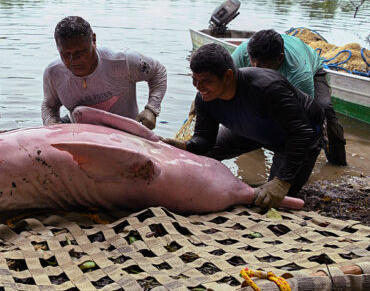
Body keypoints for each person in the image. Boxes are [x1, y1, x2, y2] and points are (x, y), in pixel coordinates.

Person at [162, 43, 324, 209]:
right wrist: (186, 146)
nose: (198, 86)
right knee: (197, 159)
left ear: (227, 76)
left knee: (270, 201)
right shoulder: (204, 99)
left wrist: (282, 182)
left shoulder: (267, 88)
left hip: (298, 136)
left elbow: (301, 132)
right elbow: (205, 139)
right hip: (252, 129)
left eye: (205, 81)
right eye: (194, 80)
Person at [231, 29, 346, 165]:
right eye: (253, 62)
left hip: (312, 70)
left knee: (323, 108)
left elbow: (303, 118)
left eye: (262, 65)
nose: (256, 69)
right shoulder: (242, 54)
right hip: (271, 77)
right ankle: (253, 155)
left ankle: (337, 162)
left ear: (280, 58)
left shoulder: (299, 73)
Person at [41, 16, 167, 129]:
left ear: (94, 40)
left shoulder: (123, 61)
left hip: (125, 134)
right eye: (66, 54)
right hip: (80, 134)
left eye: (80, 52)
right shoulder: (54, 73)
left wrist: (151, 109)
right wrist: (51, 125)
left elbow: (158, 71)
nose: (74, 60)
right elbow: (49, 106)